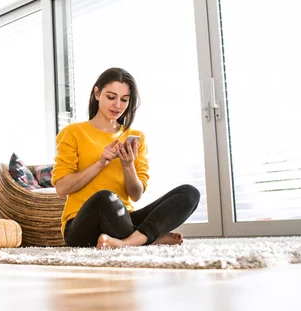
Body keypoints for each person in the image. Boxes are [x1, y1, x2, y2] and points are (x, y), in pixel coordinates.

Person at [52, 67, 200, 248]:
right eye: (111, 97)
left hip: (123, 220)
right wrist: (100, 163)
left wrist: (128, 165)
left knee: (189, 193)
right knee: (105, 199)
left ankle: (128, 241)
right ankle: (147, 239)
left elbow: (136, 195)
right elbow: (61, 189)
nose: (118, 105)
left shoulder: (136, 136)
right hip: (81, 227)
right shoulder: (73, 132)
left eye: (124, 100)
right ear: (97, 93)